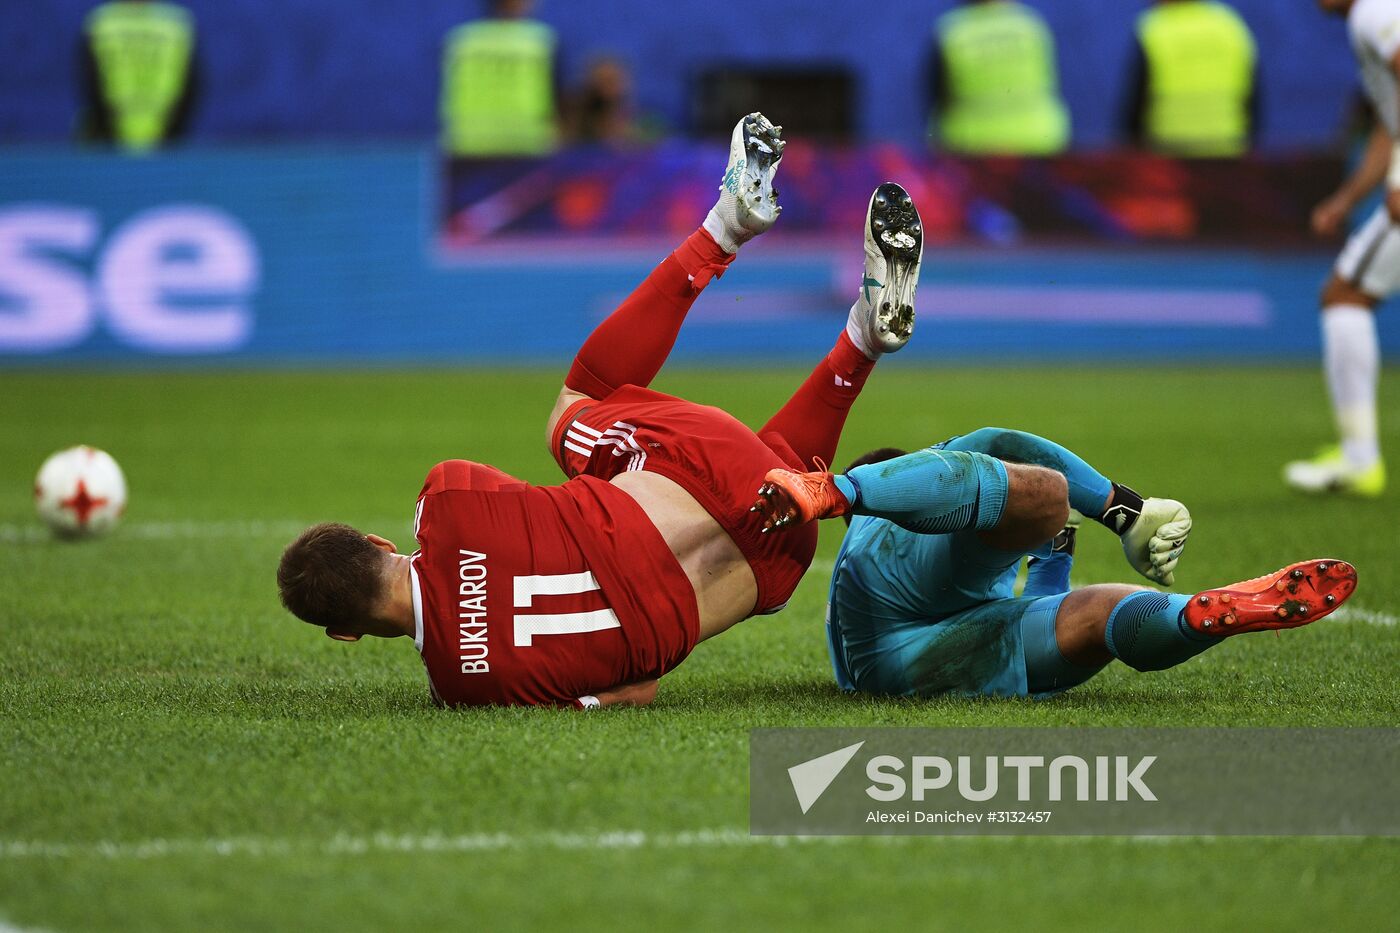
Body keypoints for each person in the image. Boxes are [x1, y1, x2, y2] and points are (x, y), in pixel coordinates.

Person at [276, 113, 925, 708]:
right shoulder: (441, 499)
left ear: (344, 634)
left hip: (776, 554)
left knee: (763, 482)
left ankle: (863, 341)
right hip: (703, 459)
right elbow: (543, 504)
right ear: (379, 541)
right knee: (575, 408)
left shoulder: (467, 688)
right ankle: (726, 228)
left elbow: (636, 692)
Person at [750, 433, 1358, 699]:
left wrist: (1055, 552)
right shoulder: (888, 529)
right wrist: (1122, 510)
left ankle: (1192, 617)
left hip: (901, 663)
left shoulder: (857, 606)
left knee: (1098, 613)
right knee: (1042, 492)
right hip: (896, 574)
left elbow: (1039, 600)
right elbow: (999, 440)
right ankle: (837, 490)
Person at [1286, 0, 1395, 497]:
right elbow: (1389, 128)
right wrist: (1346, 199)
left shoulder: (1375, 12)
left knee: (1345, 295)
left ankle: (1359, 458)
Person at [928, 0, 1070, 156]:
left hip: (972, 143)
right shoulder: (1031, 24)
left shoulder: (952, 30)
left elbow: (936, 93)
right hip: (1037, 136)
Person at [1121, 0, 1259, 157]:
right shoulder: (1230, 25)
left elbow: (1136, 104)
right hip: (1228, 150)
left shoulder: (1154, 27)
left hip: (1168, 154)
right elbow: (1253, 100)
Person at [440, 0, 560, 157]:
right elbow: (558, 93)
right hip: (526, 142)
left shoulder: (462, 39)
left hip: (469, 143)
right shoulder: (540, 41)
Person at [78, 0, 200, 152]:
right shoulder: (176, 23)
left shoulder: (101, 22)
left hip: (115, 139)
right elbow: (193, 86)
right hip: (164, 140)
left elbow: (90, 84)